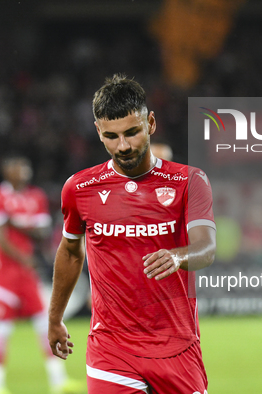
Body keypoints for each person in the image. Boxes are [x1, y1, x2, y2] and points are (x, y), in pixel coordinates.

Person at [48, 74, 216, 394]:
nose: (122, 146)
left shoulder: (189, 182)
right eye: (111, 136)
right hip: (112, 348)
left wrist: (178, 255)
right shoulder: (79, 189)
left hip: (177, 345)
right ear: (98, 132)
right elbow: (70, 251)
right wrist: (55, 318)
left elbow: (206, 248)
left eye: (132, 132)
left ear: (150, 123)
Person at [0, 155, 84, 394]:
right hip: (2, 272)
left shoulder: (36, 196)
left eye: (27, 167)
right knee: (2, 327)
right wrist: (23, 254)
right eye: (20, 167)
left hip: (26, 272)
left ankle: (58, 380)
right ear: (8, 171)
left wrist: (14, 223)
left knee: (44, 323)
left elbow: (41, 232)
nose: (25, 171)